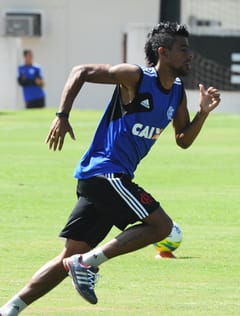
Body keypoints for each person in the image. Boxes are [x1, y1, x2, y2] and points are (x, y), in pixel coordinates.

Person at [0, 21, 220, 315]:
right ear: (163, 52)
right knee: (161, 226)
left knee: (69, 255)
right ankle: (88, 263)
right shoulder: (136, 77)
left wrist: (203, 114)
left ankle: (11, 308)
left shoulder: (177, 92)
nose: (189, 55)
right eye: (183, 49)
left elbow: (183, 140)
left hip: (106, 180)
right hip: (105, 173)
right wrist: (62, 115)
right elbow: (81, 71)